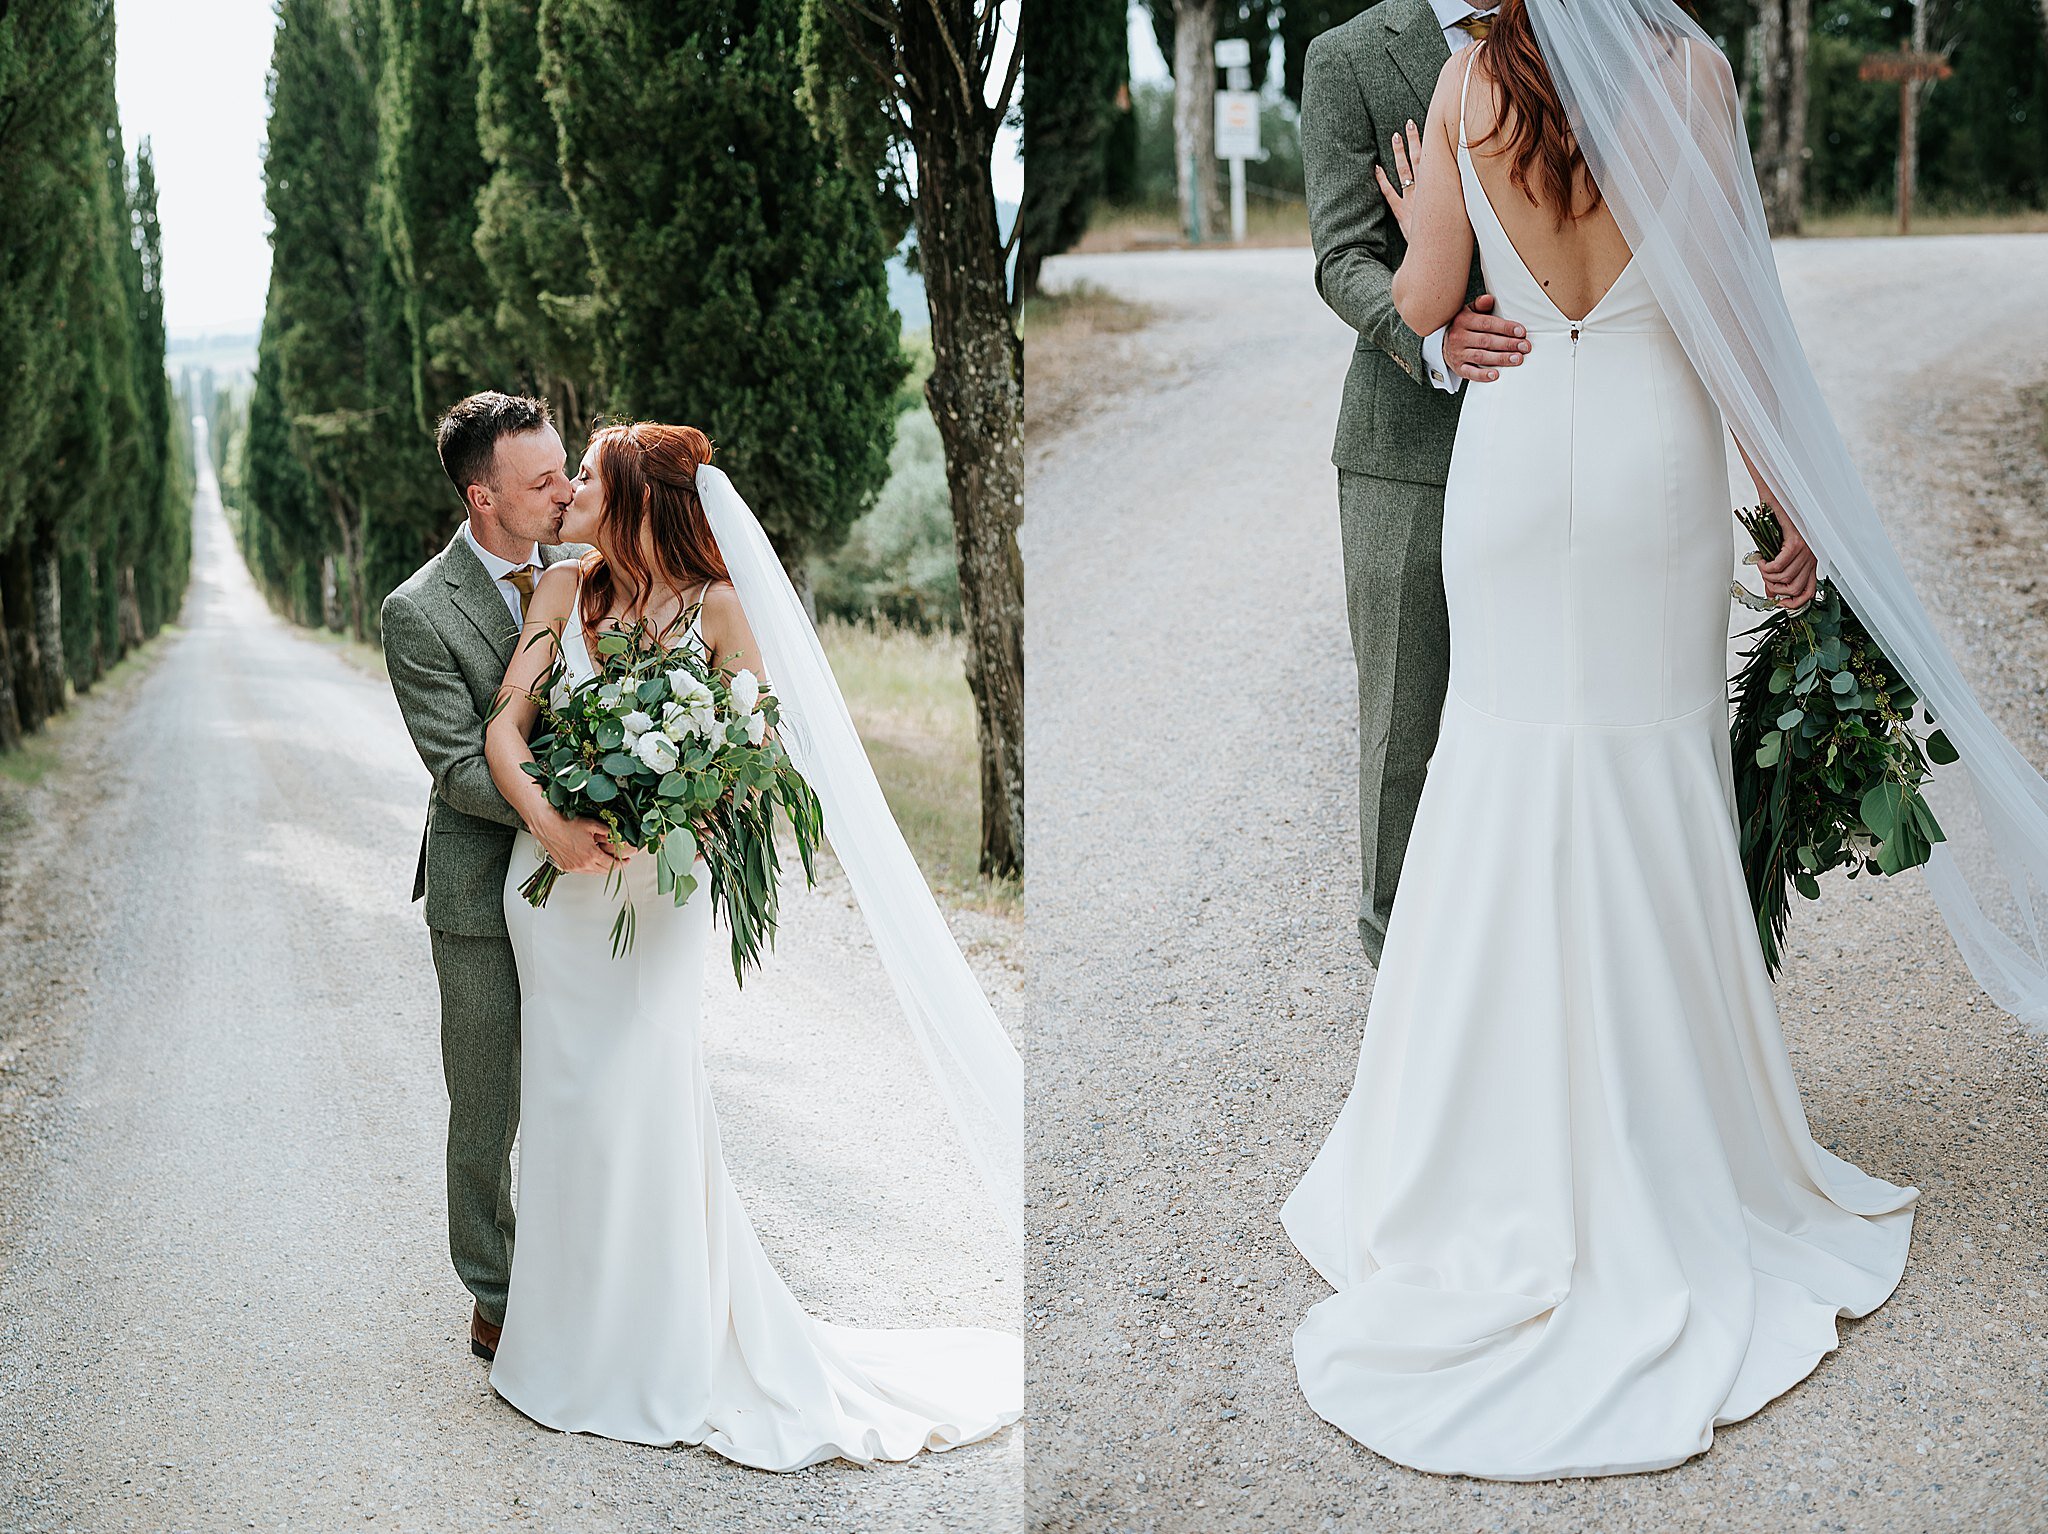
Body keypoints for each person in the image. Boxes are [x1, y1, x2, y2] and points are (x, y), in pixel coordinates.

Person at [1279, 2, 1915, 1479]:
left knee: (1502, 766)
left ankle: (1480, 1144)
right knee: (1654, 770)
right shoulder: (1690, 74)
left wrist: (1429, 211)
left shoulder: (1462, 82)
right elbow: (1731, 312)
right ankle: (1677, 1128)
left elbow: (1435, 301)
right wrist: (1788, 499)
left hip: (1512, 464)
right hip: (1649, 461)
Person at [480, 421, 1021, 1470]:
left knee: (643, 1093)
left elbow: (755, 750)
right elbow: (508, 728)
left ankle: (660, 1340)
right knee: (564, 1103)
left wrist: (676, 804)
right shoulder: (560, 596)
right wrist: (551, 822)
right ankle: (563, 1343)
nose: (571, 489)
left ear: (636, 497)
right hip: (553, 892)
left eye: (587, 474)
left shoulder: (716, 610)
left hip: (657, 895)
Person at [381, 392, 623, 1364]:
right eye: (540, 481)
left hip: (594, 887)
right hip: (482, 891)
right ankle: (496, 1292)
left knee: (591, 1088)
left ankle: (594, 1271)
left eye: (567, 468)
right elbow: (459, 767)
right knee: (488, 1108)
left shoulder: (588, 572)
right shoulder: (417, 610)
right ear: (482, 499)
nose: (564, 490)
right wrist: (569, 810)